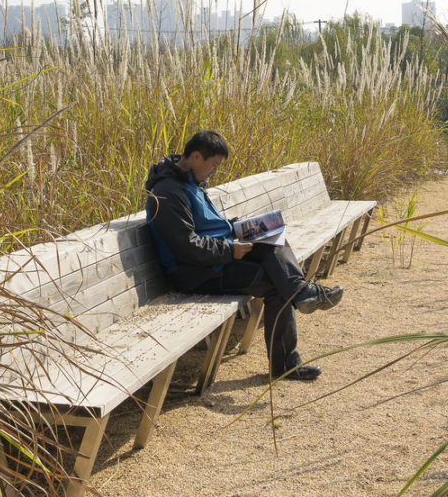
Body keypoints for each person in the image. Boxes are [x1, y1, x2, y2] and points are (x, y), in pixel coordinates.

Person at [144, 129, 343, 382]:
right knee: (276, 284)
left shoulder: (191, 183)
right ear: (195, 156)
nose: (215, 170)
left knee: (273, 240)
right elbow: (186, 245)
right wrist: (230, 249)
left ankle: (301, 292)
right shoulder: (168, 192)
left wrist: (241, 228)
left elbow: (208, 226)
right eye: (214, 164)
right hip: (196, 273)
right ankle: (287, 357)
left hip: (217, 259)